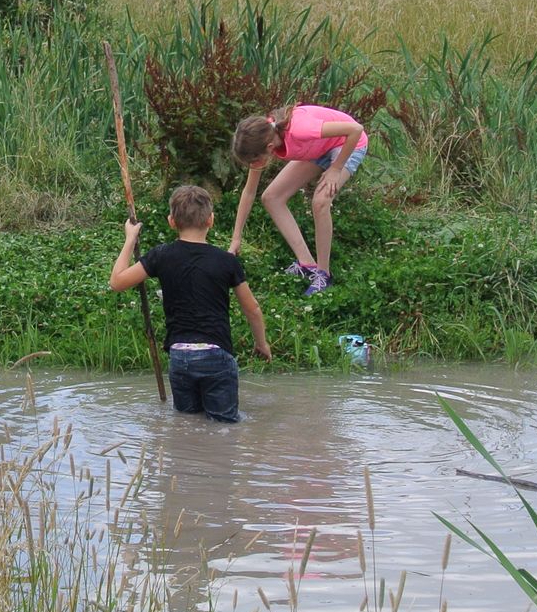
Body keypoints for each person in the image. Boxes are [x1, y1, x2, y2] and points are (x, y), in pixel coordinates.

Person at [110, 185, 272, 423]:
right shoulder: (227, 262)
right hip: (216, 354)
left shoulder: (161, 255)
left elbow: (117, 282)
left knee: (186, 425)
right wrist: (262, 343)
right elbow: (252, 309)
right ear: (211, 220)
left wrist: (130, 239)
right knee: (224, 427)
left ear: (171, 221)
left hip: (180, 357)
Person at [226, 103, 369, 297]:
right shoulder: (263, 136)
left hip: (347, 144)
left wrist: (335, 169)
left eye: (254, 162)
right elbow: (249, 192)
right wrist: (236, 238)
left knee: (320, 202)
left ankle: (324, 275)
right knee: (271, 197)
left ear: (268, 148)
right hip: (318, 149)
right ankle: (307, 264)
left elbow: (355, 129)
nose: (254, 166)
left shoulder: (300, 130)